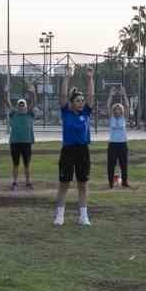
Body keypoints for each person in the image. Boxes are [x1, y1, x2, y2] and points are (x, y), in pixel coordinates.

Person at [54, 67, 94, 225]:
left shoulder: (85, 113)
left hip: (83, 151)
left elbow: (91, 96)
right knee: (64, 184)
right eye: (78, 101)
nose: (81, 103)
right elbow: (63, 96)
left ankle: (83, 217)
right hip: (68, 151)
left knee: (82, 184)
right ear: (72, 103)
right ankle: (60, 216)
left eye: (82, 101)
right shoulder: (66, 113)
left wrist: (90, 79)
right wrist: (66, 77)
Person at [5, 84, 36, 190]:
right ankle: (14, 182)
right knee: (15, 164)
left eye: (23, 105)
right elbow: (8, 103)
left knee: (27, 164)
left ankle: (28, 182)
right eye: (20, 105)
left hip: (27, 143)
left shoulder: (30, 114)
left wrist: (33, 93)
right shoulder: (14, 114)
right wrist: (6, 92)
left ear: (26, 106)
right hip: (15, 143)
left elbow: (34, 102)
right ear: (17, 106)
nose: (21, 106)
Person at [106, 91, 132, 189]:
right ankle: (111, 183)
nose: (117, 110)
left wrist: (124, 95)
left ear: (121, 111)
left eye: (119, 109)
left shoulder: (124, 118)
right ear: (113, 111)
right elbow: (108, 106)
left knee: (124, 164)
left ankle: (124, 182)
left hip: (122, 144)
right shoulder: (111, 118)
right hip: (113, 144)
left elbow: (127, 106)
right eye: (116, 109)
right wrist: (110, 95)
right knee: (111, 164)